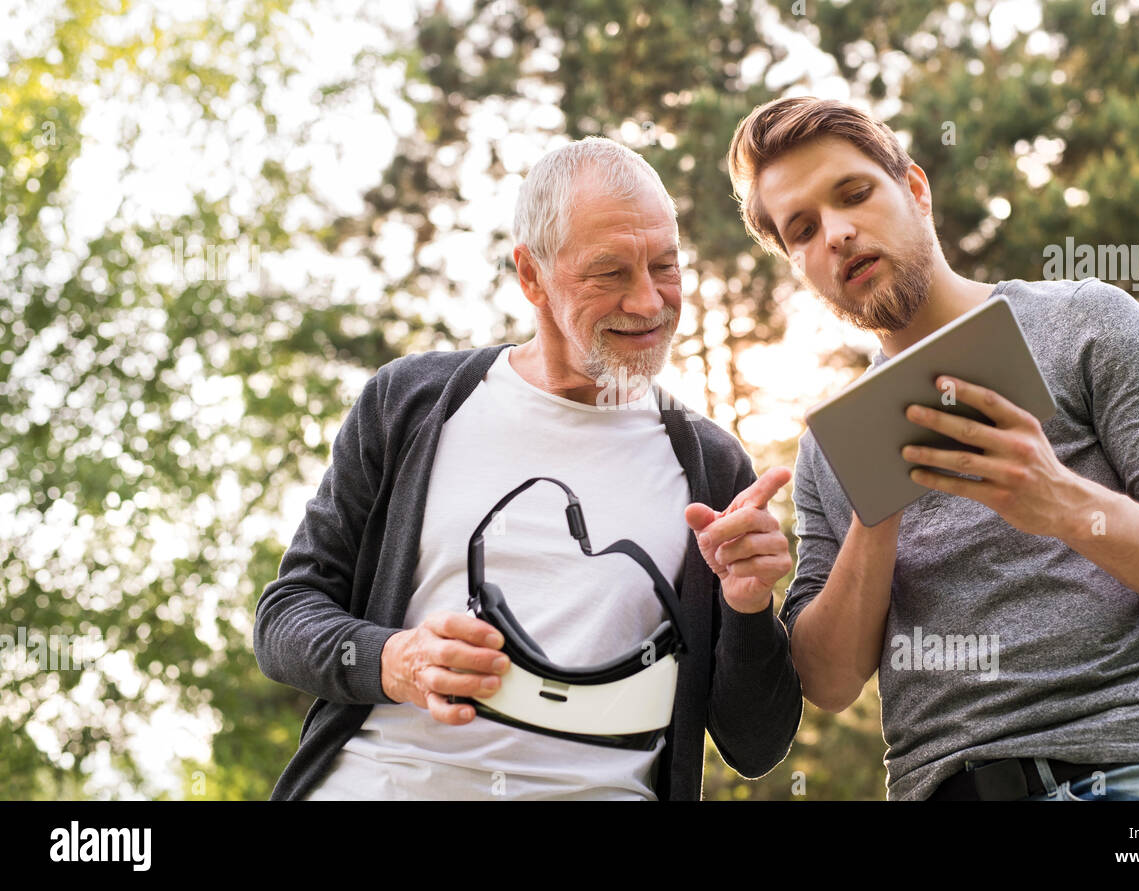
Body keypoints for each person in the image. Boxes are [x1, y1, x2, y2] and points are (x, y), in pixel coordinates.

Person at [726, 96, 1139, 801]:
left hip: (1138, 776)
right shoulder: (831, 448)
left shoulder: (1087, 324)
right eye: (803, 229)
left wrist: (1061, 501)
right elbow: (827, 681)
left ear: (915, 189)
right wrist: (877, 507)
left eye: (853, 193)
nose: (838, 233)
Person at [255, 137, 802, 800]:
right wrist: (392, 660)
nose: (648, 302)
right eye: (609, 273)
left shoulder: (711, 465)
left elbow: (755, 744)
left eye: (665, 265)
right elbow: (284, 618)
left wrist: (747, 608)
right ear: (531, 275)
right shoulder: (409, 405)